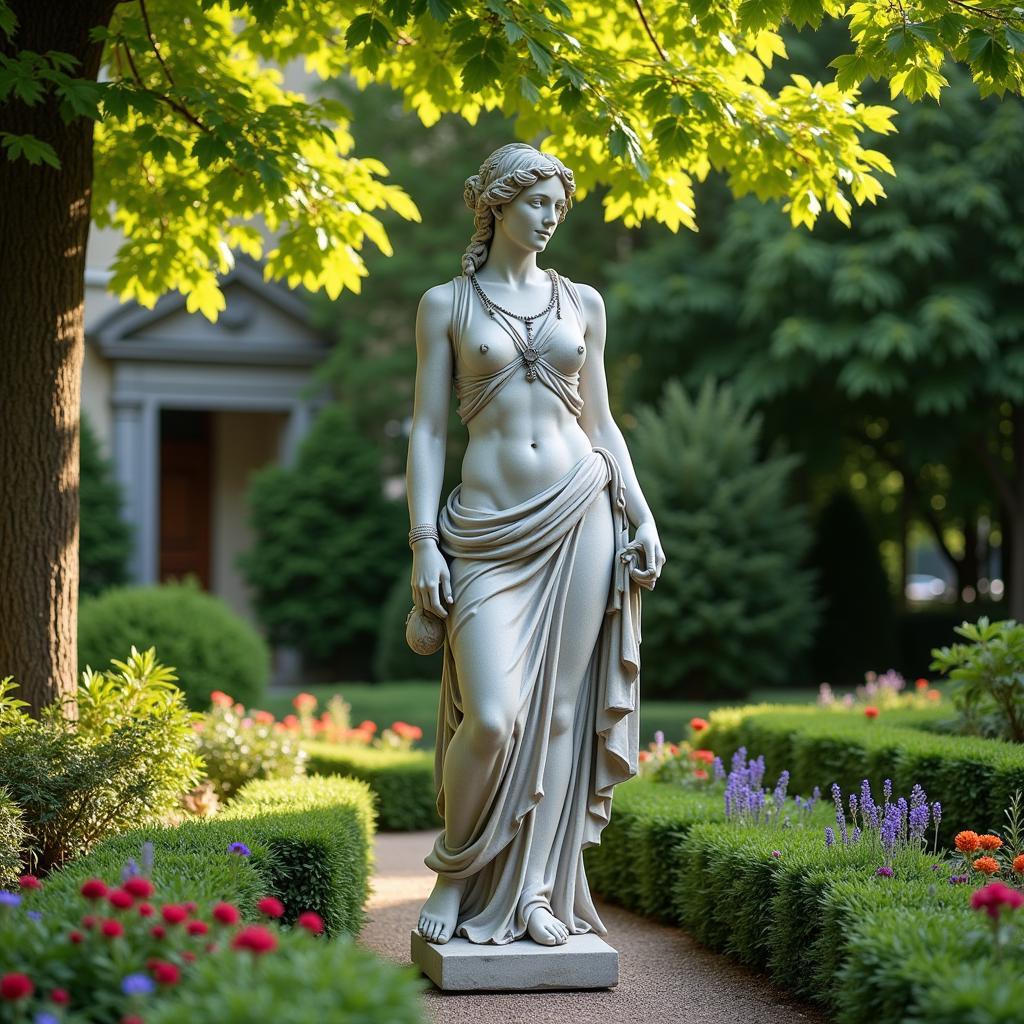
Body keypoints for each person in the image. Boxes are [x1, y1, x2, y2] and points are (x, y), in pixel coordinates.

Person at [406, 142, 665, 948]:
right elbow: (424, 431)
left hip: (582, 510)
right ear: (496, 205)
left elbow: (602, 423)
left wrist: (643, 514)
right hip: (485, 531)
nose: (551, 218)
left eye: (559, 206)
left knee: (556, 715)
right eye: (537, 204)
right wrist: (422, 543)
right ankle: (456, 871)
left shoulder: (581, 302)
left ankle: (536, 894)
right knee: (490, 716)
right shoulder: (445, 304)